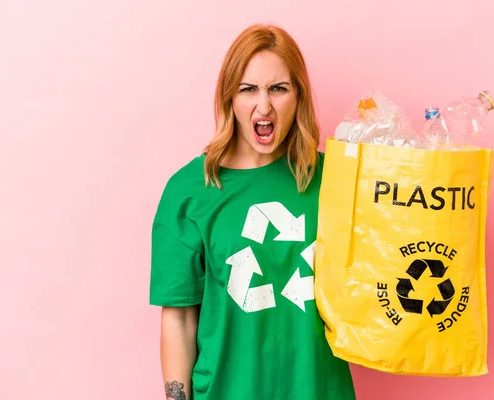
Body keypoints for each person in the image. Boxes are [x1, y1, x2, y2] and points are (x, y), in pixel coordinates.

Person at [149, 23, 356, 400]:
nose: (264, 106)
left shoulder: (336, 179)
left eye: (279, 88)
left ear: (299, 96)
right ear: (229, 97)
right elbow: (178, 318)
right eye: (248, 89)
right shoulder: (189, 192)